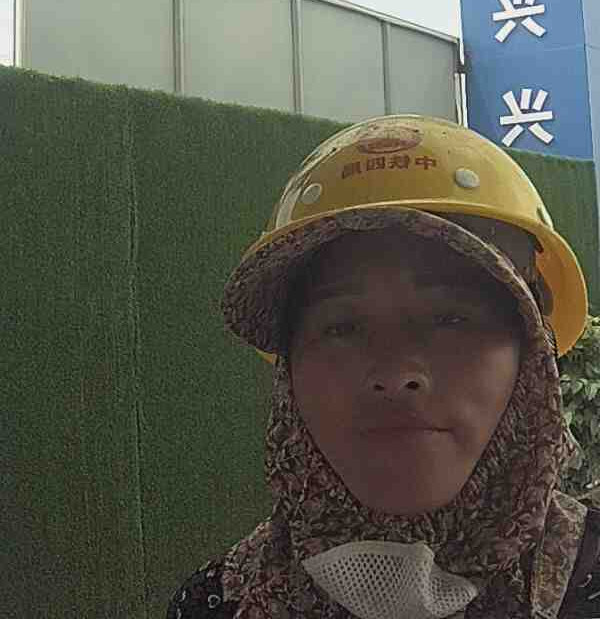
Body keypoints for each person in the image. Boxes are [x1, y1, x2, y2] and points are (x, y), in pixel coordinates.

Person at [166, 115, 600, 619]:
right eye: (342, 327)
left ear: (532, 356)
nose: (395, 375)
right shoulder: (216, 604)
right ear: (290, 371)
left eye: (451, 319)